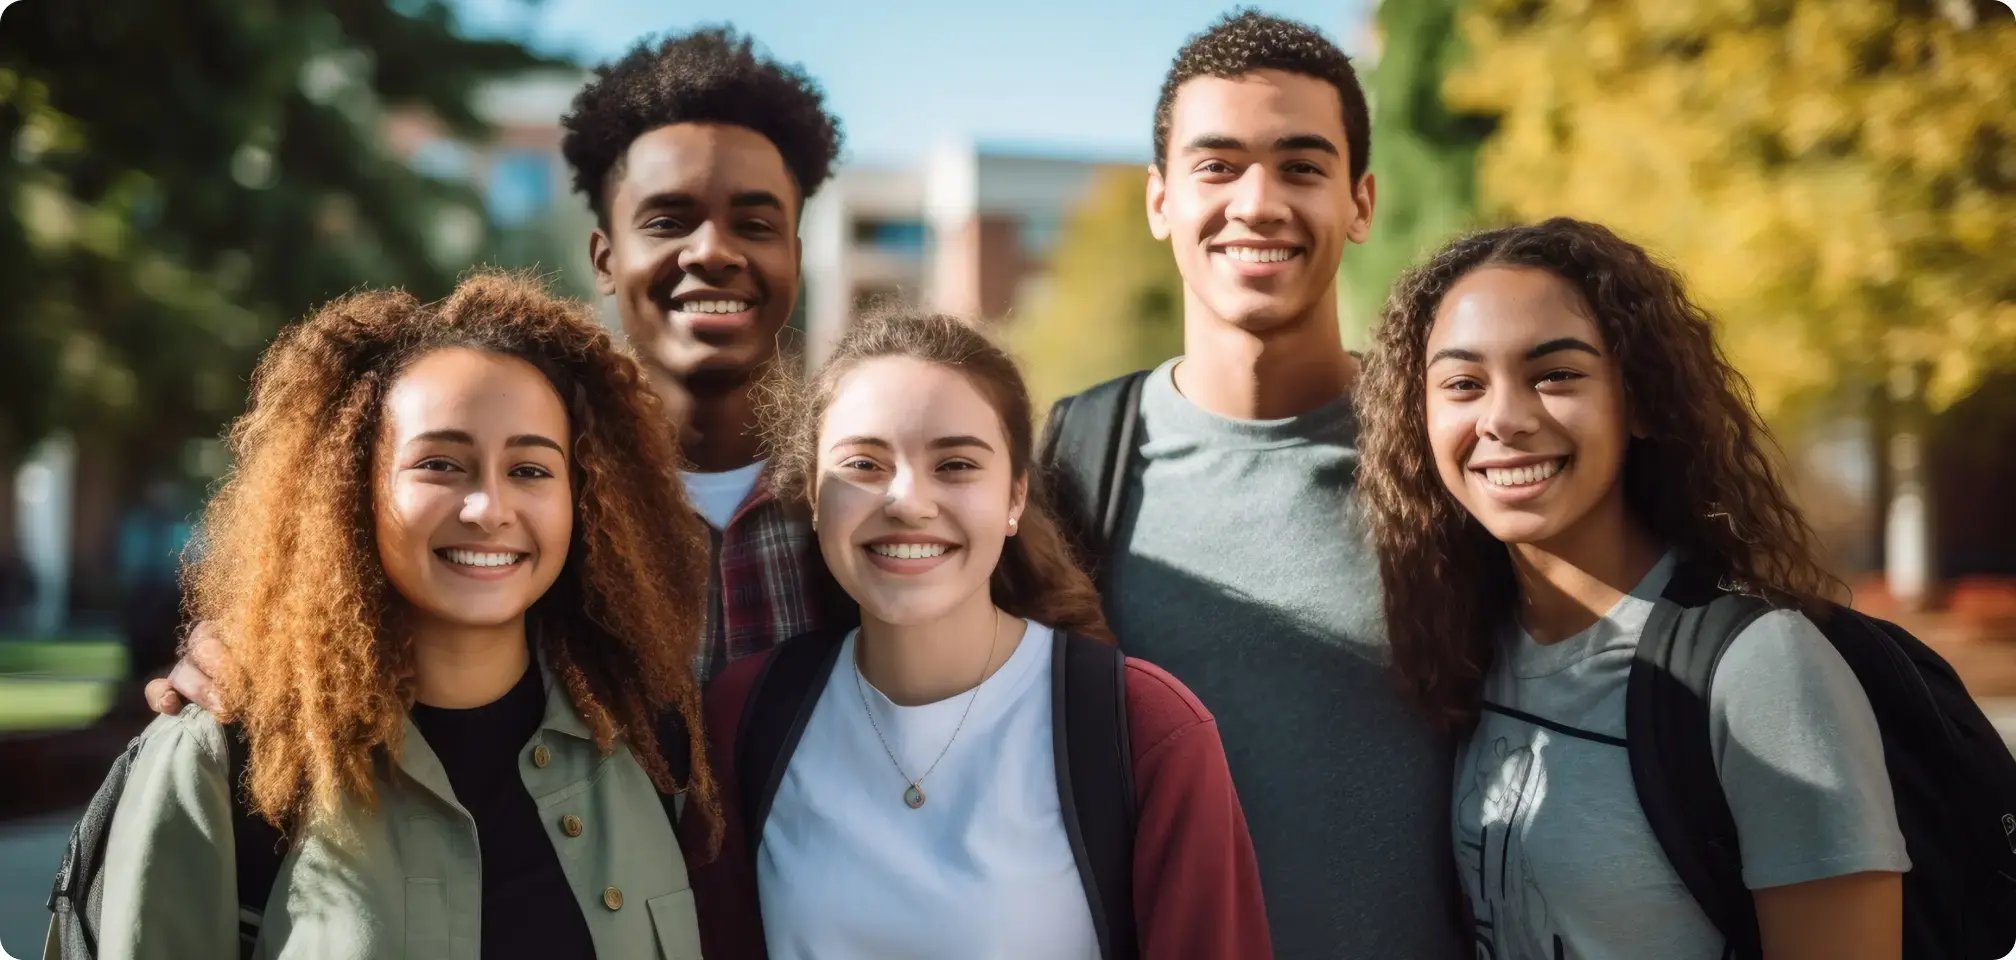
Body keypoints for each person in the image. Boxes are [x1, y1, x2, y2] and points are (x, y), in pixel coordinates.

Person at [144, 28, 852, 717]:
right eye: (668, 221)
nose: (712, 252)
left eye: (754, 226)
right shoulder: (520, 493)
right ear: (605, 260)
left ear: (795, 253)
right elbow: (332, 613)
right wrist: (244, 652)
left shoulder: (862, 493)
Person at [68, 273, 717, 959]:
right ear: (351, 489)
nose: (489, 508)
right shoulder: (227, 762)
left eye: (530, 470)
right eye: (440, 464)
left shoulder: (649, 743)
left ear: (582, 502)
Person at [1355, 218, 1909, 958]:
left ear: (1639, 400)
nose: (1505, 419)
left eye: (1555, 374)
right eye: (1463, 384)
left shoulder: (1763, 671)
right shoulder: (1474, 644)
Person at [1042, 12, 1461, 956]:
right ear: (1161, 202)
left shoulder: (1450, 452)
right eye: (1218, 165)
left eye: (1302, 167)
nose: (1259, 201)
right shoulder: (1076, 464)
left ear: (1361, 203)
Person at [689, 309, 1270, 960]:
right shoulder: (743, 718)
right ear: (814, 496)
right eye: (864, 464)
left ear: (1015, 496)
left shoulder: (1143, 730)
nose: (907, 501)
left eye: (957, 465)